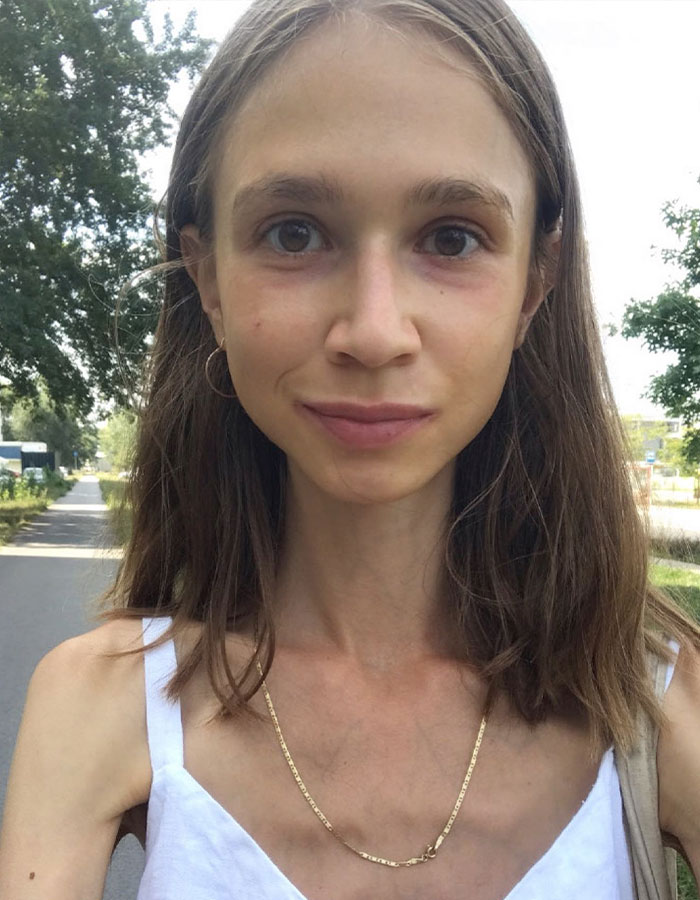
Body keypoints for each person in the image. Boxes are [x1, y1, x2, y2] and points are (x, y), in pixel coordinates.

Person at [1, 0, 699, 897]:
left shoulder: (660, 710)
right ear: (207, 277)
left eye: (453, 237)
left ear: (538, 282)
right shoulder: (97, 710)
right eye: (294, 232)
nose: (373, 332)